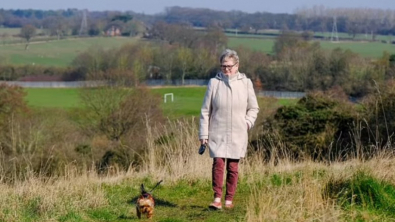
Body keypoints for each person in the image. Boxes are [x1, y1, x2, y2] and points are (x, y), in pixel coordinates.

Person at [199, 49, 259, 210]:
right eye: (223, 66)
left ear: (237, 65)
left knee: (233, 166)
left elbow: (253, 108)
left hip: (238, 132)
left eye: (229, 66)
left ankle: (229, 199)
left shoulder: (246, 83)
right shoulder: (214, 83)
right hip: (217, 131)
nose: (226, 69)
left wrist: (247, 123)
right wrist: (203, 134)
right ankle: (217, 198)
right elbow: (206, 110)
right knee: (218, 164)